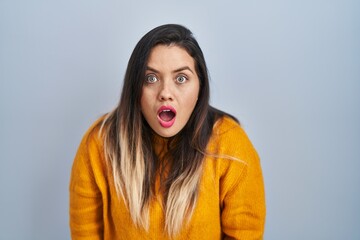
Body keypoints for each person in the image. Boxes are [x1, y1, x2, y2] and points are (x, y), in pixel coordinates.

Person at [69, 24, 266, 240]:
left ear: (200, 86)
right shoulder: (99, 143)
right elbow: (85, 233)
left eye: (181, 78)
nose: (165, 93)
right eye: (151, 78)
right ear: (135, 89)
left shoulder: (230, 143)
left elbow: (245, 234)